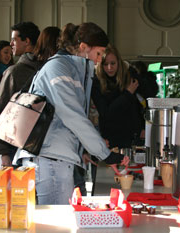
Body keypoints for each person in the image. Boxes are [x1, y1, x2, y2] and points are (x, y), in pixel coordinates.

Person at [14, 22, 130, 205]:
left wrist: (83, 149)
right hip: (49, 159)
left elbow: (66, 119)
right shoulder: (59, 68)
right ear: (83, 47)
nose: (100, 60)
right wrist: (104, 154)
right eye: (98, 53)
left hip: (55, 157)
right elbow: (73, 116)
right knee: (57, 225)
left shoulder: (72, 70)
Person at [0, 22, 43, 166]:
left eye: (14, 39)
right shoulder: (48, 70)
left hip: (15, 147)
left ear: (27, 41)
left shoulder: (14, 72)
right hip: (43, 148)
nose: (11, 43)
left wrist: (2, 152)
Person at [92, 46, 145, 149]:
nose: (109, 68)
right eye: (105, 64)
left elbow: (139, 104)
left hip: (133, 137)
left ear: (119, 63)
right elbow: (106, 113)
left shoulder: (129, 76)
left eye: (112, 63)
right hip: (111, 138)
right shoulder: (96, 82)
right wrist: (127, 94)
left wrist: (142, 127)